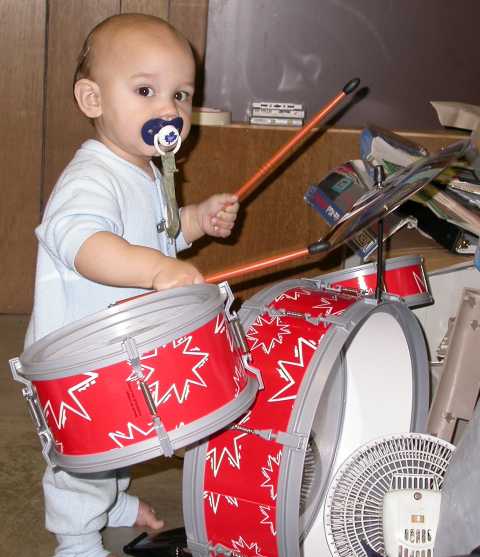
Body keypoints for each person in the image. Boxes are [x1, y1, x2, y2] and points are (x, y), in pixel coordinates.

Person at [24, 13, 239, 557]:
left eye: (180, 95)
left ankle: (114, 505)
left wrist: (195, 220)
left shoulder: (149, 169)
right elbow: (83, 243)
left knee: (124, 433)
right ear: (93, 99)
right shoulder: (92, 177)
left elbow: (160, 234)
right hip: (77, 357)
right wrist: (157, 271)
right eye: (146, 91)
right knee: (84, 457)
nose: (168, 110)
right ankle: (76, 540)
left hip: (121, 345)